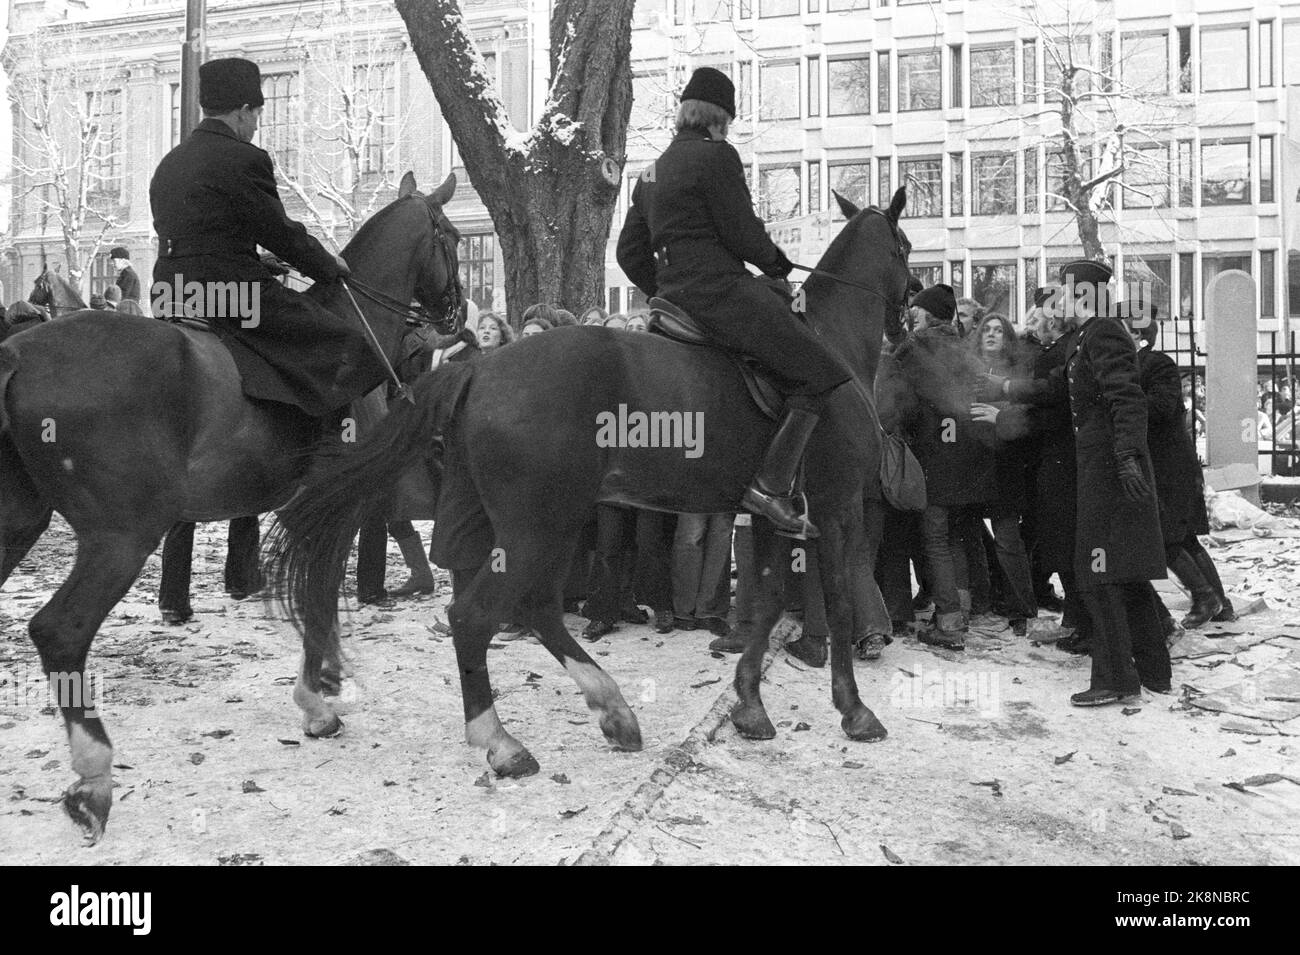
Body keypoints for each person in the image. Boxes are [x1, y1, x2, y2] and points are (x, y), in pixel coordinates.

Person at [616, 66, 851, 538]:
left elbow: (628, 252)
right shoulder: (717, 157)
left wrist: (664, 289)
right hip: (720, 294)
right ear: (719, 118)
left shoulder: (649, 172)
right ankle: (770, 485)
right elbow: (741, 231)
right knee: (821, 372)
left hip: (673, 302)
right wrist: (777, 264)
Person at [149, 57, 380, 418]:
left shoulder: (170, 162)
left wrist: (256, 261)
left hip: (169, 293)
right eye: (256, 115)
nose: (256, 125)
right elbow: (277, 231)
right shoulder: (243, 157)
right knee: (342, 342)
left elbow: (198, 234)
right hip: (229, 295)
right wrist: (326, 265)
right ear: (242, 111)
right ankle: (332, 446)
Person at [1125, 303, 1235, 628]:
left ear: (1137, 334)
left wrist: (1121, 398)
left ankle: (1205, 598)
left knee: (1167, 536)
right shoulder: (1139, 365)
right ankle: (1219, 603)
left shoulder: (1157, 363)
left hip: (1169, 467)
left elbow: (1160, 407)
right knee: (1183, 538)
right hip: (1166, 464)